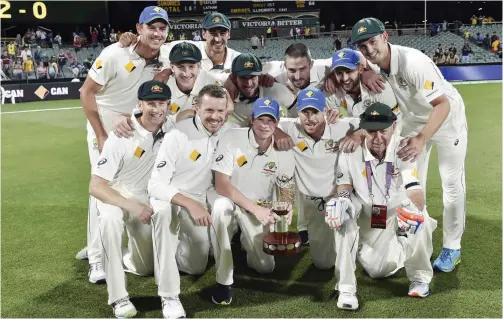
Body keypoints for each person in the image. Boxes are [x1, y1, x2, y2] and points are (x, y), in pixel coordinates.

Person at [351, 17, 467, 272]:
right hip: (414, 122)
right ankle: (419, 237)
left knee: (451, 182)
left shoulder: (414, 62)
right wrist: (365, 69)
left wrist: (422, 138)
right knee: (411, 183)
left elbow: (443, 104)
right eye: (363, 46)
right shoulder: (368, 58)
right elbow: (351, 57)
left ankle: (452, 247)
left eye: (372, 42)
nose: (369, 50)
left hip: (447, 120)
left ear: (385, 36)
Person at [77, 5, 169, 284]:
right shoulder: (114, 53)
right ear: (138, 29)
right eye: (151, 27)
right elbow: (86, 93)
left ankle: (103, 244)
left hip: (136, 131)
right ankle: (97, 259)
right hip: (105, 132)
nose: (157, 32)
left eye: (162, 28)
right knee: (101, 188)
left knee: (132, 187)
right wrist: (102, 134)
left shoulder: (165, 56)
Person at [327, 102, 437, 310]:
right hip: (369, 212)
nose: (378, 139)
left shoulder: (403, 148)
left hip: (397, 211)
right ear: (363, 130)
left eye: (383, 131)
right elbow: (345, 183)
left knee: (417, 215)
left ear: (393, 128)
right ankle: (346, 290)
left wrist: (415, 208)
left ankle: (420, 277)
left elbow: (414, 189)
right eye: (371, 131)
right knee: (377, 269)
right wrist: (342, 199)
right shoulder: (351, 151)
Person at [147, 85, 232, 318]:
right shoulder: (177, 134)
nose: (215, 117)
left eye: (220, 111)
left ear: (227, 111)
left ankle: (224, 280)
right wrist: (190, 204)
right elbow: (155, 184)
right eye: (209, 110)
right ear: (196, 108)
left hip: (202, 196)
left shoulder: (228, 131)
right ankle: (169, 296)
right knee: (162, 213)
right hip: (173, 196)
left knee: (195, 266)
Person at [89, 80, 171, 318]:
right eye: (150, 103)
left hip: (145, 200)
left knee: (144, 268)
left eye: (161, 103)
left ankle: (122, 255)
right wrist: (131, 206)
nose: (156, 109)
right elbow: (96, 186)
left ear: (169, 105)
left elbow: (191, 115)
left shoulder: (172, 128)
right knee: (111, 222)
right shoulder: (121, 135)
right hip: (116, 196)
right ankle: (118, 297)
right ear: (139, 104)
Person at [208, 97, 296, 305]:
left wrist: (287, 206)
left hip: (258, 207)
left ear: (277, 123)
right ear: (251, 119)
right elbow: (221, 184)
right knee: (221, 210)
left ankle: (240, 239)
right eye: (261, 119)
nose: (265, 125)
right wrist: (255, 209)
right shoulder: (231, 137)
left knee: (265, 267)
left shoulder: (283, 152)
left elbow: (285, 188)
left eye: (270, 120)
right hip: (228, 199)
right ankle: (224, 282)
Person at [278, 87, 362, 265]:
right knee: (323, 263)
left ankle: (355, 241)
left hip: (341, 195)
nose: (309, 118)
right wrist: (278, 132)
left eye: (315, 112)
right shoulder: (290, 127)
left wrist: (358, 134)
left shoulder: (343, 126)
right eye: (304, 112)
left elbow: (370, 121)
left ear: (325, 111)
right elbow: (266, 123)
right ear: (298, 113)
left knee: (347, 241)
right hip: (313, 202)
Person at [328, 48, 400, 129]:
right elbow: (341, 115)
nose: (345, 78)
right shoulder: (332, 92)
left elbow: (395, 122)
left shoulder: (379, 86)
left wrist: (363, 133)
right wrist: (338, 115)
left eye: (349, 71)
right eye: (339, 73)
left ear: (360, 69)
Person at [226, 53, 294, 127]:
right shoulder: (224, 94)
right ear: (234, 77)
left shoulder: (276, 91)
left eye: (253, 77)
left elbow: (297, 114)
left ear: (260, 76)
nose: (248, 83)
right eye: (243, 77)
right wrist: (228, 95)